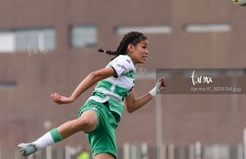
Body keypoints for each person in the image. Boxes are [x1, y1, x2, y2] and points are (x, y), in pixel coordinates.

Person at [18, 31, 166, 159]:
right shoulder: (124, 61)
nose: (147, 52)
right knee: (86, 121)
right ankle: (35, 145)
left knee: (87, 123)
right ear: (131, 48)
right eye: (144, 47)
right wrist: (71, 98)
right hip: (99, 106)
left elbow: (132, 106)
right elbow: (94, 75)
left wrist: (155, 91)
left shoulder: (130, 74)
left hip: (109, 125)